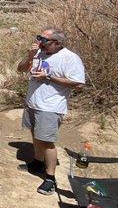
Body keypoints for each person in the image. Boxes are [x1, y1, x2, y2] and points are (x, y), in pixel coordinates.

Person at [17, 27, 85, 195]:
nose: (40, 42)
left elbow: (78, 83)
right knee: (35, 135)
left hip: (50, 106)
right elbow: (20, 69)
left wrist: (48, 77)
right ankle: (38, 162)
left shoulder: (69, 58)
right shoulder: (38, 53)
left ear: (57, 43)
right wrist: (30, 56)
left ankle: (50, 179)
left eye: (44, 40)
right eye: (39, 37)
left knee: (47, 142)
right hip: (33, 103)